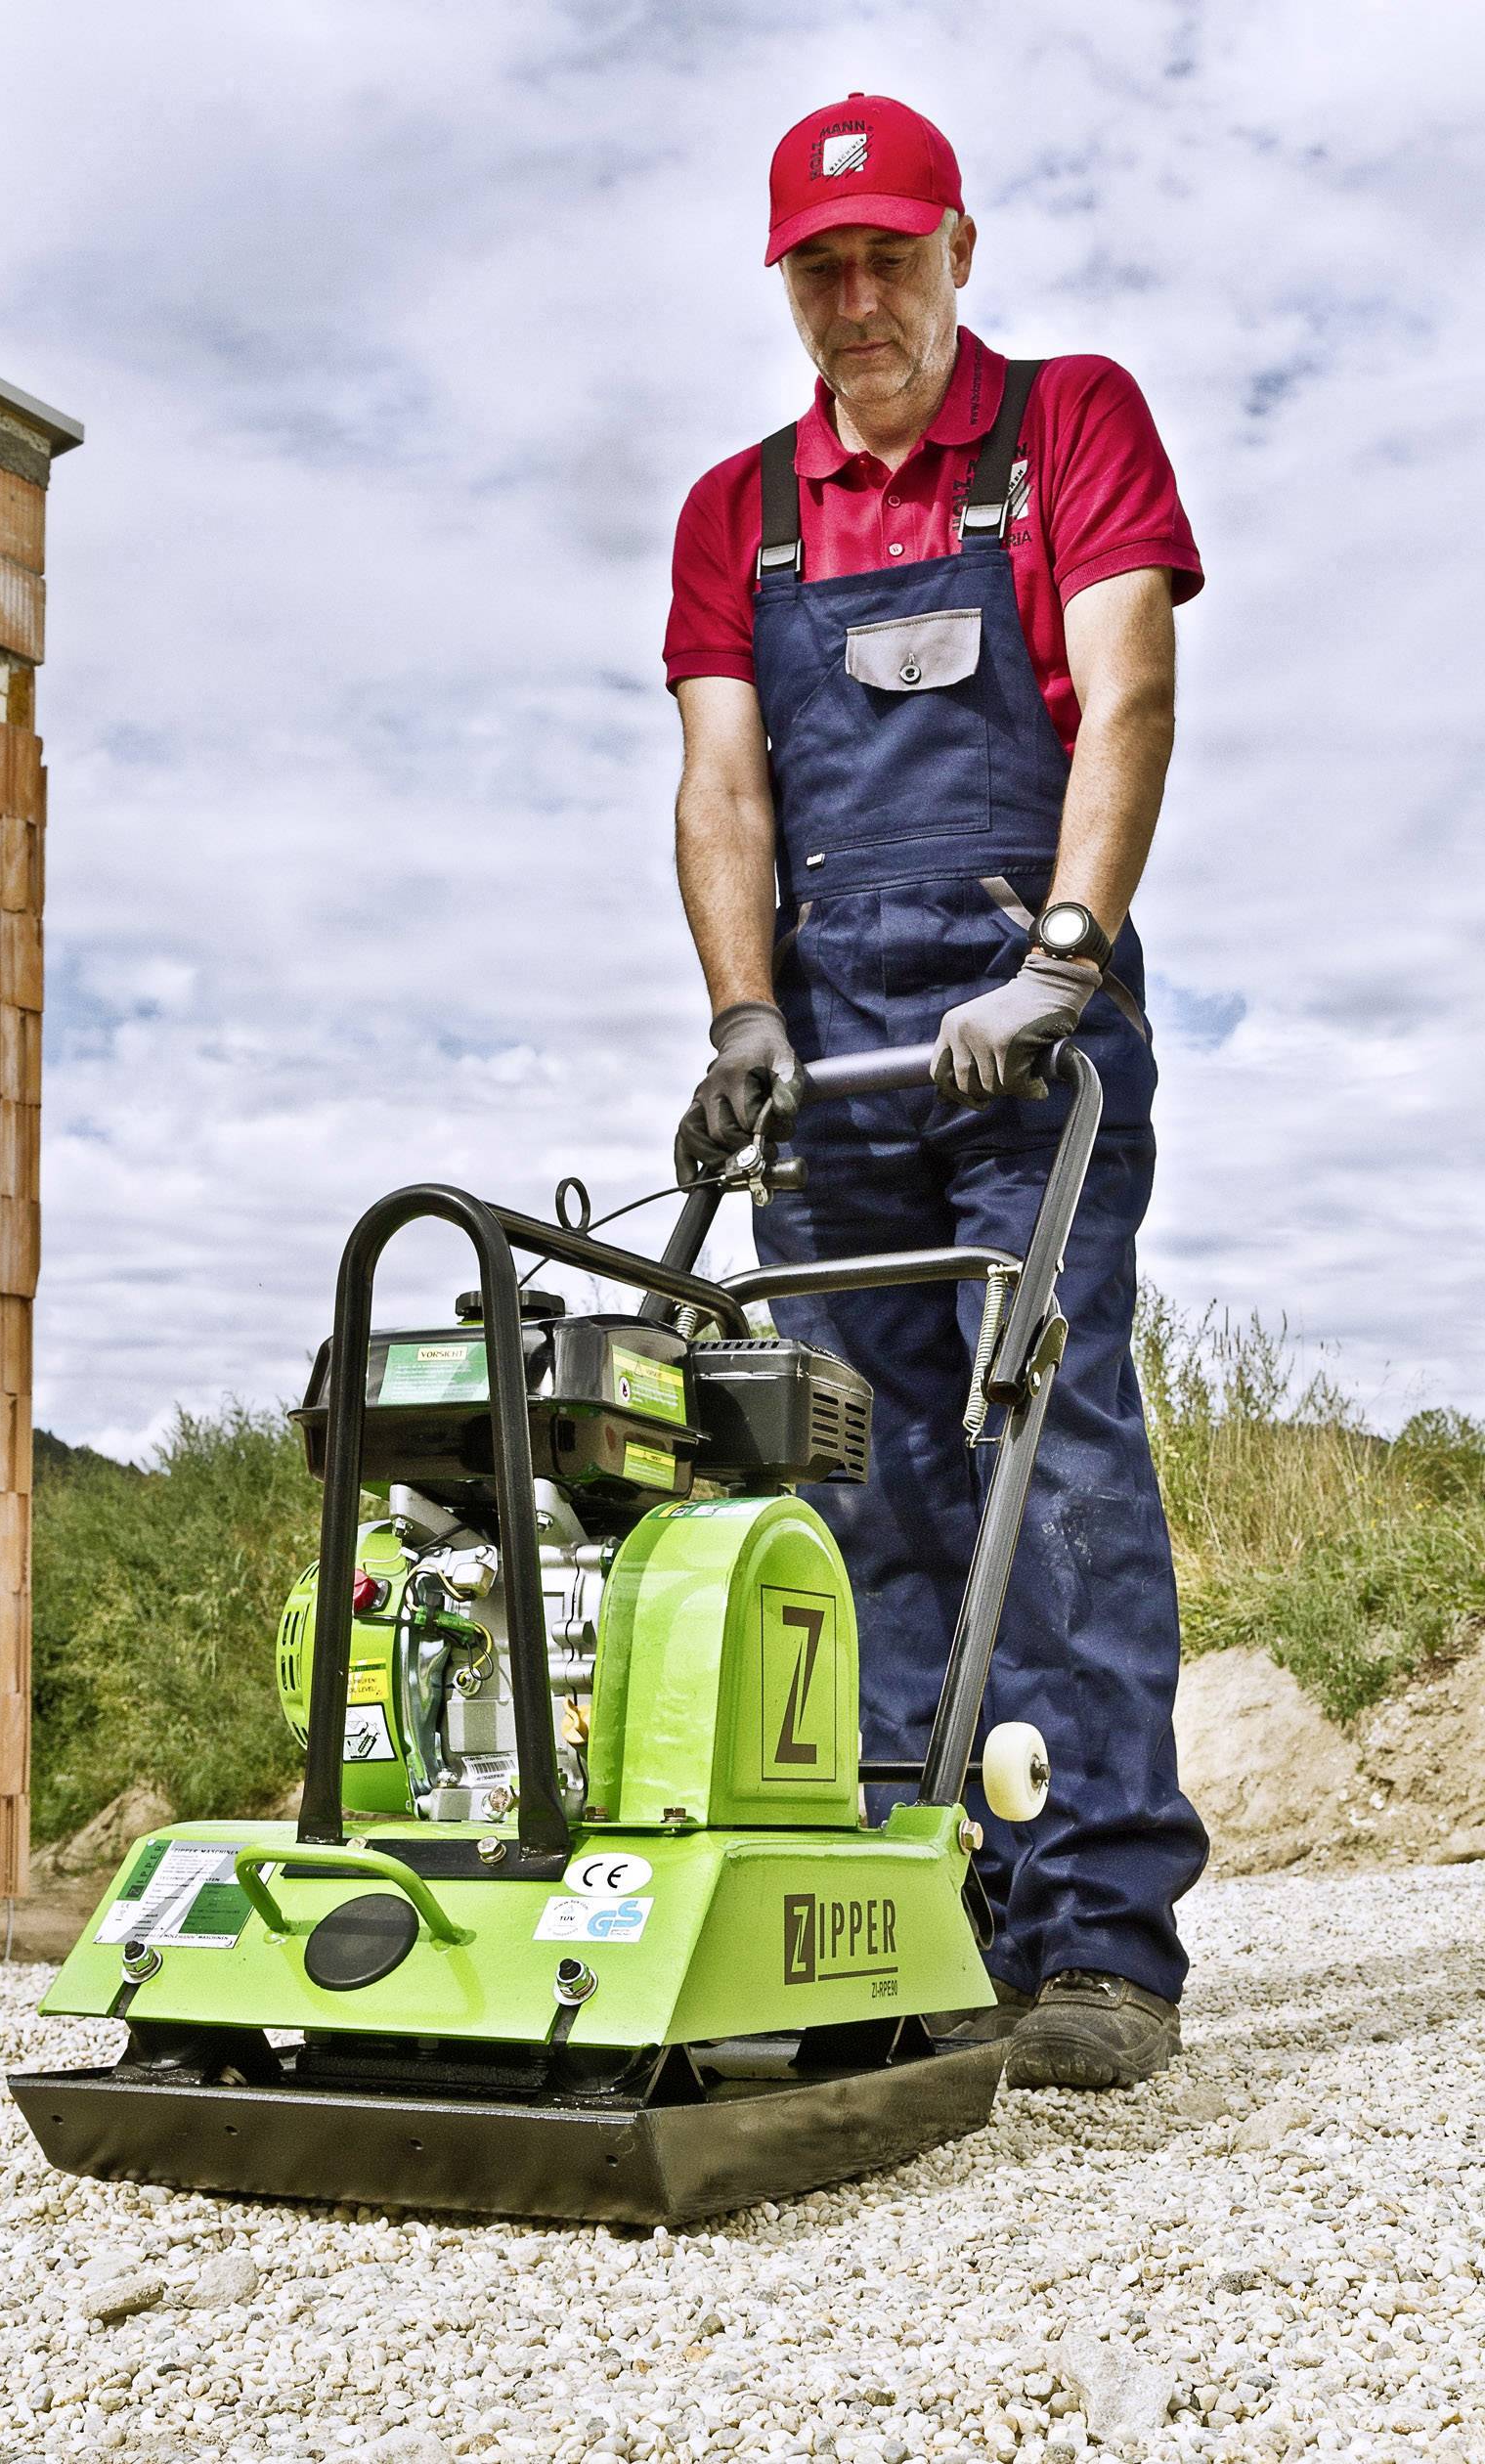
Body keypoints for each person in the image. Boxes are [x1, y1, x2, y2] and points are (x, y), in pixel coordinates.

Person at [667, 92, 1209, 2090]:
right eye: (824, 267)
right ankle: (907, 1904)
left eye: (892, 253)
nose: (861, 294)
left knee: (1046, 1433)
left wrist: (1062, 952)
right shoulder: (741, 510)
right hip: (838, 1044)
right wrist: (744, 1022)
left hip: (1021, 1011)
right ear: (790, 290)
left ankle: (1096, 1932)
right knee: (854, 1470)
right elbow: (725, 778)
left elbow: (1127, 684)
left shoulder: (1067, 422)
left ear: (959, 248)